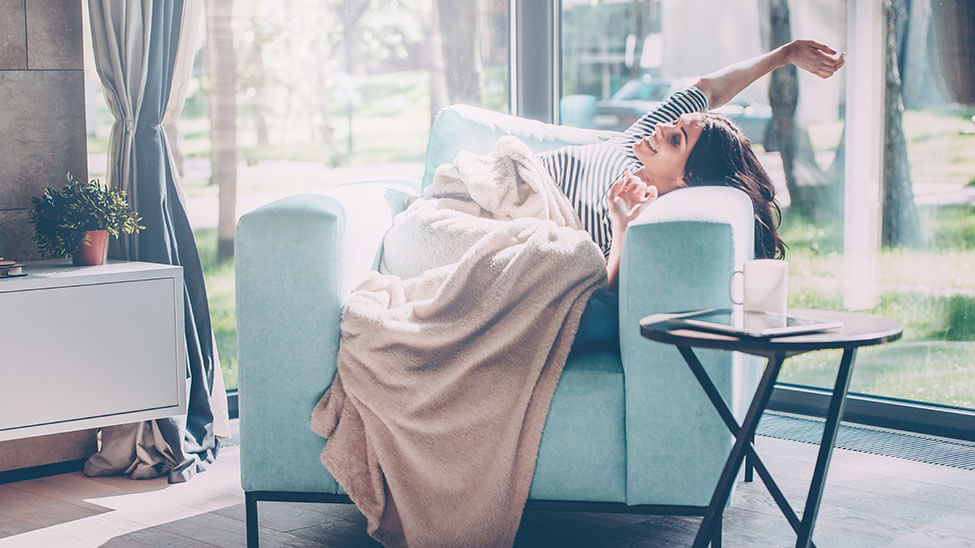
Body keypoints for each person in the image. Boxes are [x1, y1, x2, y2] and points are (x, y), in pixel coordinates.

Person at [537, 39, 846, 289]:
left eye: (676, 140)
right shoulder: (639, 147)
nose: (661, 128)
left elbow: (604, 299)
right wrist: (785, 55)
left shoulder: (637, 214)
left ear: (689, 177)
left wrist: (621, 228)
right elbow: (709, 89)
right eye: (674, 124)